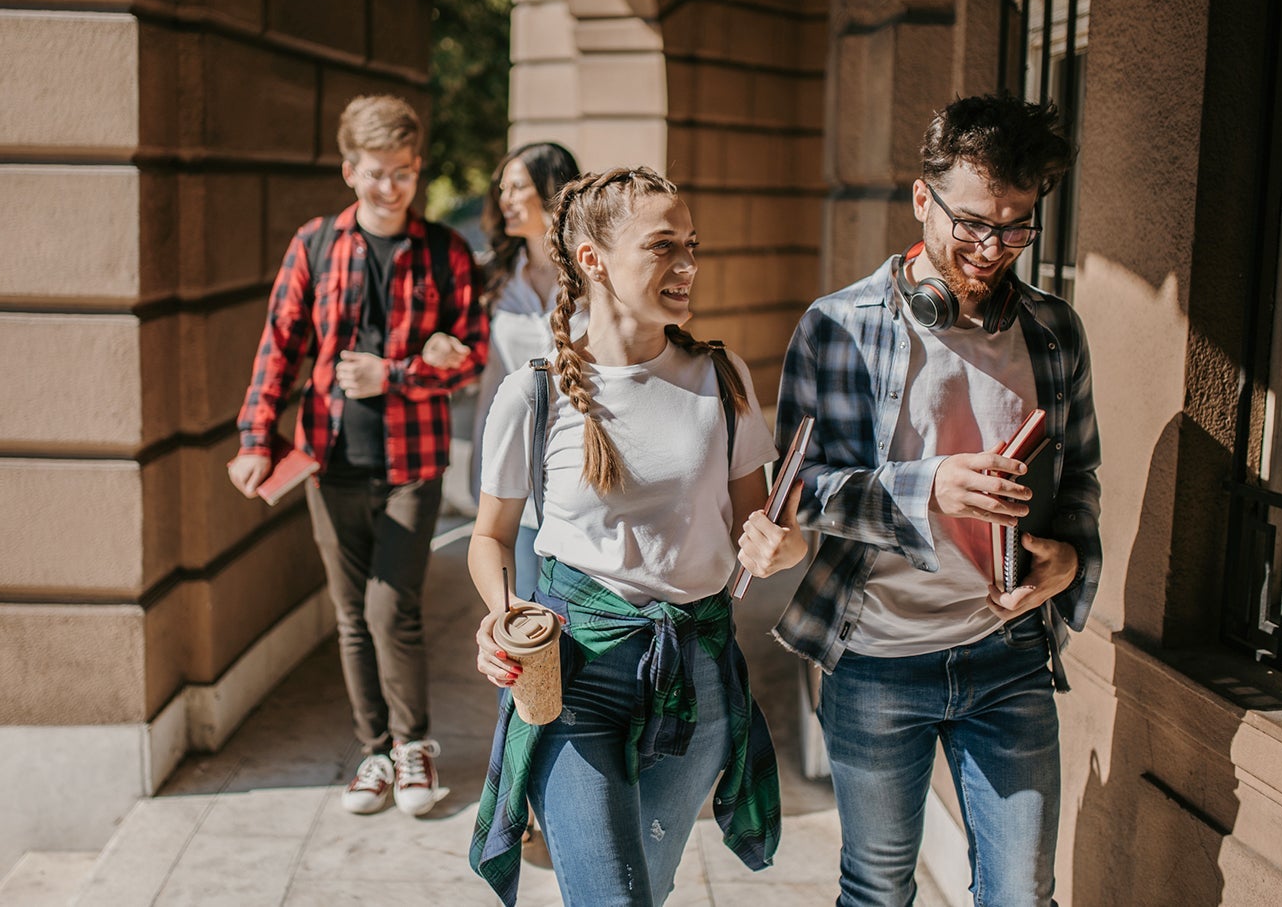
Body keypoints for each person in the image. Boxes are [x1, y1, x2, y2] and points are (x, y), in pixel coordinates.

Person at [771, 93, 1102, 906]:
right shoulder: (836, 326)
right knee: (879, 888)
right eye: (974, 223)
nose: (992, 249)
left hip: (1010, 657)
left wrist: (1070, 558)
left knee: (1022, 894)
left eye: (1017, 228)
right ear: (923, 198)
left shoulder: (1055, 332)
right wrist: (928, 487)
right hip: (877, 659)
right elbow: (798, 492)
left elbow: (1081, 474)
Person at [466, 166, 800, 906]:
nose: (687, 265)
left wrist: (785, 545)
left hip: (697, 674)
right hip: (574, 674)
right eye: (662, 246)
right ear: (593, 259)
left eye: (691, 245)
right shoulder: (534, 392)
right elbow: (489, 536)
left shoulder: (721, 377)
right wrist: (502, 610)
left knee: (645, 886)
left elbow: (760, 523)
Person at [227, 94, 488, 818]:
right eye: (376, 172)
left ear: (417, 169)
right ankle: (373, 750)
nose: (389, 186)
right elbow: (279, 345)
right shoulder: (315, 244)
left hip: (413, 462)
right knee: (350, 614)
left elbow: (472, 355)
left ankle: (413, 745)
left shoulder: (445, 252)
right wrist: (255, 439)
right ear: (350, 170)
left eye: (403, 172)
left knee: (391, 607)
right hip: (329, 457)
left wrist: (395, 373)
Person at [470, 141, 582, 599]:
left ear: (552, 190)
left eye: (517, 187)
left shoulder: (592, 278)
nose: (505, 200)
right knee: (517, 602)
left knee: (571, 606)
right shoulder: (493, 276)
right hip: (506, 460)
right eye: (502, 189)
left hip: (575, 462)